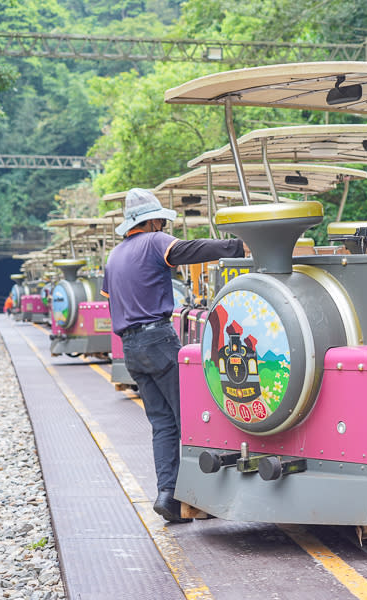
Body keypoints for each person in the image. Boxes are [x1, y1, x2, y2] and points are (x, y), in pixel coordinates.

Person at [101, 188, 244, 523]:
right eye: (162, 221)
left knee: (162, 423)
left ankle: (168, 495)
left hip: (131, 348)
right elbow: (188, 250)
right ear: (151, 221)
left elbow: (111, 300)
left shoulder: (114, 256)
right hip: (158, 339)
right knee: (192, 418)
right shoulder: (153, 242)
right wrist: (237, 246)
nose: (164, 227)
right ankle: (204, 496)